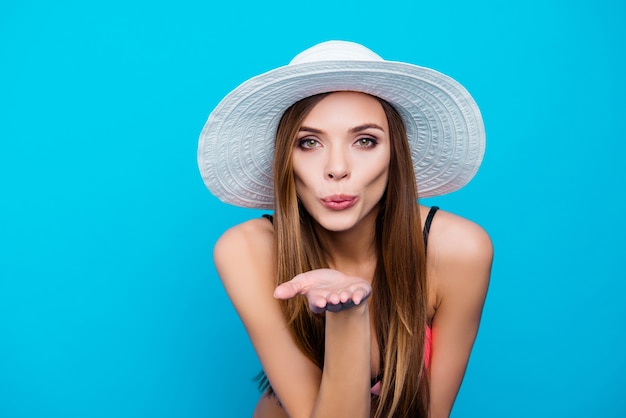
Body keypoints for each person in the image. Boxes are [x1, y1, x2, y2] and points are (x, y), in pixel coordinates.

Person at [197, 40, 493, 418]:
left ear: (394, 153)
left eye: (365, 141)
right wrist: (347, 314)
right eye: (309, 143)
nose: (337, 167)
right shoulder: (246, 250)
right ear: (285, 159)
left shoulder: (459, 250)